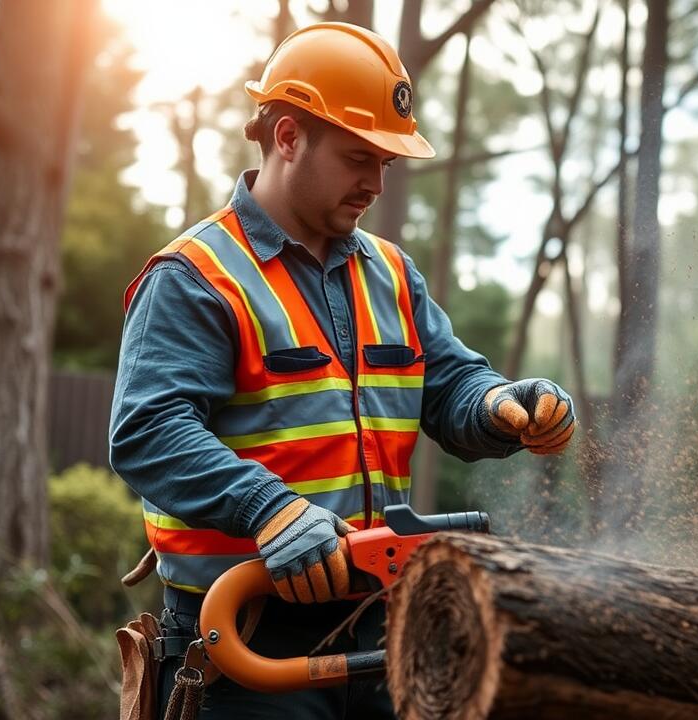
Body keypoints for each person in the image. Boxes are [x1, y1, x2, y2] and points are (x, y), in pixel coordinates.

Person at [109, 22, 576, 718]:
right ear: (288, 136)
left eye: (386, 162)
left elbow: (449, 383)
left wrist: (500, 404)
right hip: (245, 644)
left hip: (383, 628)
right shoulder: (195, 276)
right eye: (360, 157)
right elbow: (149, 430)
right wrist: (269, 509)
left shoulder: (391, 272)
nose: (376, 183)